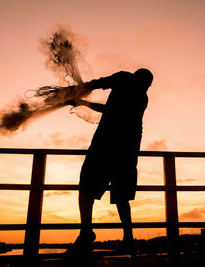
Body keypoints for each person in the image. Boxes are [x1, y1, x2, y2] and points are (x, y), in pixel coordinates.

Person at [64, 68, 153, 257]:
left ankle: (86, 233)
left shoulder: (125, 79)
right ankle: (128, 239)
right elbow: (108, 106)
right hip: (128, 150)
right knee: (122, 196)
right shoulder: (143, 97)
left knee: (87, 186)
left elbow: (98, 85)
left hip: (105, 145)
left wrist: (78, 95)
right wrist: (81, 100)